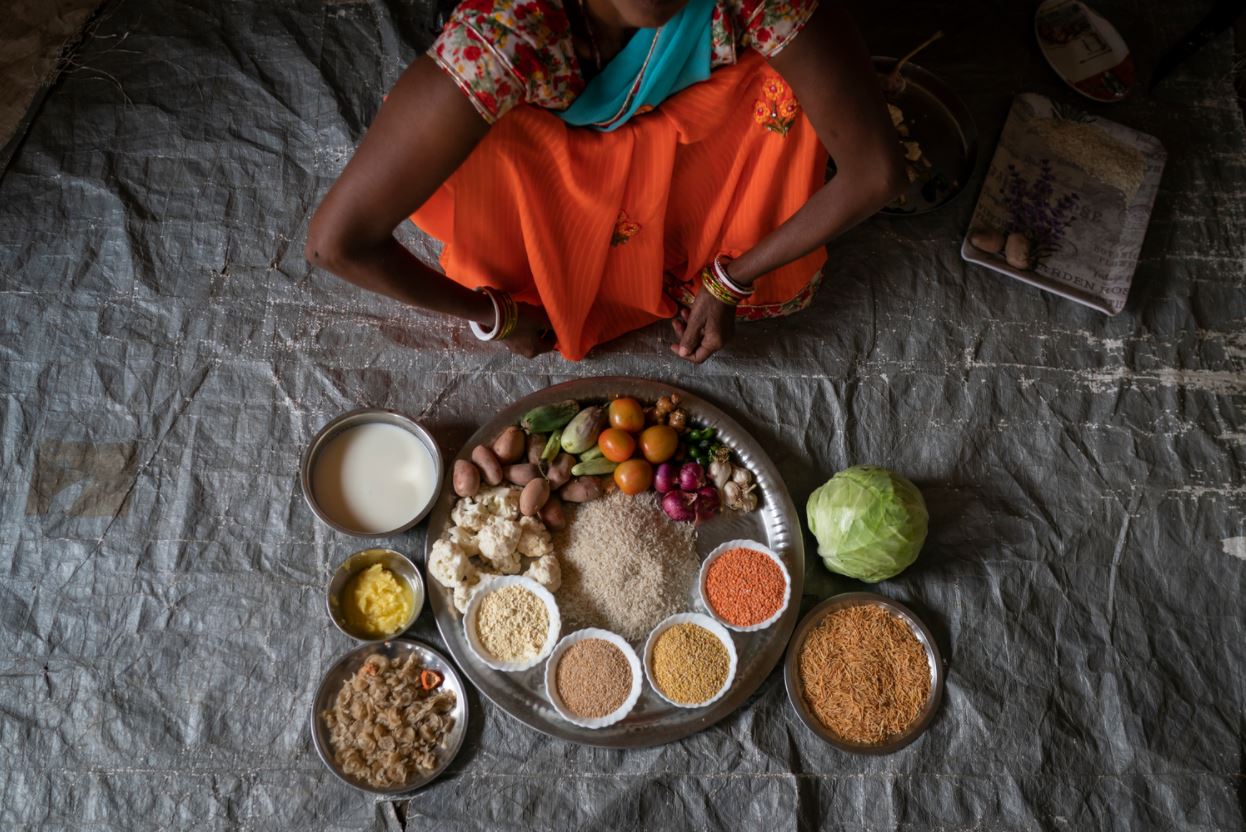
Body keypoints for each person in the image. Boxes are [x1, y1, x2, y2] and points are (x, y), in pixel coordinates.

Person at [305, 0, 904, 363]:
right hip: (547, 184)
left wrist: (731, 279)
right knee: (499, 144)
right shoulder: (504, 35)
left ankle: (679, 250)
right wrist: (498, 315)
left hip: (687, 150)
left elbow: (875, 172)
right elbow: (336, 243)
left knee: (784, 92)